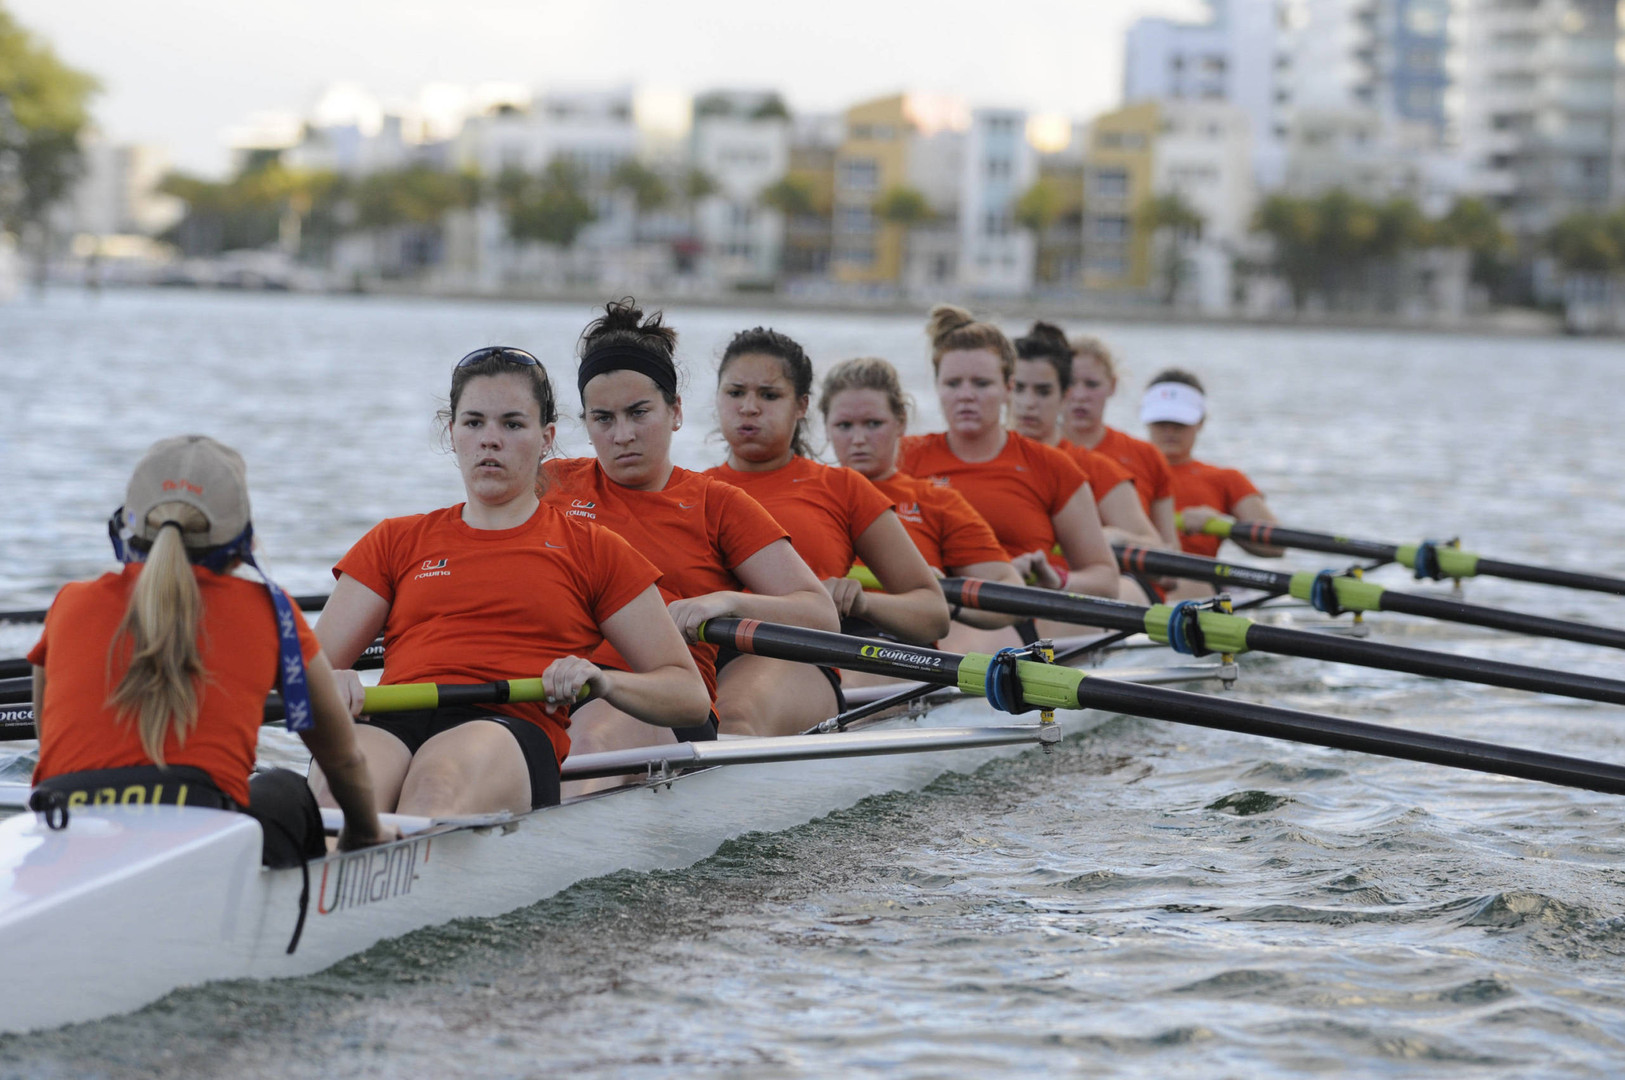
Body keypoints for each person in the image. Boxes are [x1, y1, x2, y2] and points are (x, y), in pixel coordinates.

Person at [311, 346, 710, 816]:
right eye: (474, 422)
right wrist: (326, 684)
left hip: (508, 723)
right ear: (451, 432)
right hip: (394, 714)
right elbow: (303, 675)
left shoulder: (595, 550)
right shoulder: (394, 540)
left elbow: (689, 696)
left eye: (513, 424)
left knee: (437, 786)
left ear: (547, 438)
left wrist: (603, 683)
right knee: (335, 801)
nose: (490, 440)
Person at [28, 435, 389, 865]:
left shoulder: (69, 603)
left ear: (130, 525)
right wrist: (367, 835)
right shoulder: (271, 614)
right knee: (284, 789)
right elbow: (342, 758)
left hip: (63, 819)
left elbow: (48, 738)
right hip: (199, 833)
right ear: (244, 537)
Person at [541, 300, 838, 781]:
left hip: (662, 702)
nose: (622, 435)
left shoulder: (716, 504)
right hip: (546, 687)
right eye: (603, 419)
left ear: (675, 412)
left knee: (589, 743)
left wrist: (723, 602)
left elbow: (821, 614)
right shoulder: (548, 485)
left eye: (640, 413)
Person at [704, 327, 949, 736]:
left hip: (798, 655)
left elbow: (933, 615)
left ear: (801, 406)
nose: (749, 407)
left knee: (733, 716)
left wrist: (866, 605)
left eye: (769, 395)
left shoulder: (843, 488)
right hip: (703, 656)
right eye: (735, 393)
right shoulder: (689, 490)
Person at [898, 305, 1134, 616]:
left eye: (982, 384)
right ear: (937, 387)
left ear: (1008, 389)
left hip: (1013, 615)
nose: (966, 395)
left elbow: (1105, 582)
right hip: (924, 614)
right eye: (953, 383)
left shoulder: (1053, 466)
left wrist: (1055, 579)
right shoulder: (902, 457)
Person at [819, 355, 1062, 655]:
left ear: (900, 423)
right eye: (844, 425)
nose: (858, 439)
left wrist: (947, 603)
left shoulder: (936, 501)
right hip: (817, 630)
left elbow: (1009, 593)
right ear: (826, 428)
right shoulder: (807, 491)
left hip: (896, 640)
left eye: (873, 424)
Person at [1010, 321, 1165, 550]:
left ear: (1064, 395)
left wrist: (1115, 537)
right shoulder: (972, 455)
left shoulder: (1099, 469)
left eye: (1043, 391)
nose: (1029, 403)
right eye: (1019, 389)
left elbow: (1162, 554)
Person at [1140, 368, 1283, 597]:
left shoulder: (1226, 479)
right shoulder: (1116, 471)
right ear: (1145, 417)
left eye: (1180, 422)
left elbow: (1276, 545)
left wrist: (1224, 524)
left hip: (1192, 583)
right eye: (1162, 420)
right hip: (1133, 575)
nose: (1170, 430)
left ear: (1201, 421)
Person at [1057, 335, 1181, 549]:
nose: (1079, 395)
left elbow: (1170, 555)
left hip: (1128, 576)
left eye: (1091, 384)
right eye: (1070, 383)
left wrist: (1122, 539)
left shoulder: (1146, 455)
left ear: (1112, 386)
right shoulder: (1032, 449)